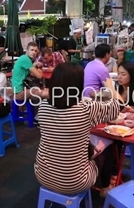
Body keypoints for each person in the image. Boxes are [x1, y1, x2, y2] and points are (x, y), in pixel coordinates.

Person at [34, 62, 124, 198]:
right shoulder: (86, 108)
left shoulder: (43, 106)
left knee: (79, 145)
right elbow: (118, 106)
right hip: (76, 182)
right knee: (107, 147)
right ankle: (105, 188)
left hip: (42, 175)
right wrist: (110, 86)